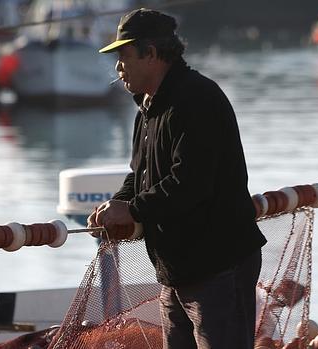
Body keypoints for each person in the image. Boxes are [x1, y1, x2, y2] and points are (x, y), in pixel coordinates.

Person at [88, 8, 267, 349]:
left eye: (124, 55)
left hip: (218, 266)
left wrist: (134, 211)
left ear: (152, 54)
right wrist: (116, 205)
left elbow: (190, 183)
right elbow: (138, 174)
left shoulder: (196, 99)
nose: (117, 67)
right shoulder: (148, 107)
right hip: (177, 271)